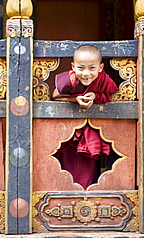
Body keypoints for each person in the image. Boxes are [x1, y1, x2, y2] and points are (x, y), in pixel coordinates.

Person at [52, 45, 119, 189]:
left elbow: (110, 96)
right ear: (73, 66)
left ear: (100, 68)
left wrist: (95, 96)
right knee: (66, 171)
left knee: (88, 171)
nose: (86, 73)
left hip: (92, 133)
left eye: (92, 68)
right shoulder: (69, 80)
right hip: (69, 136)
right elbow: (55, 96)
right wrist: (75, 99)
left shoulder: (104, 80)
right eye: (81, 68)